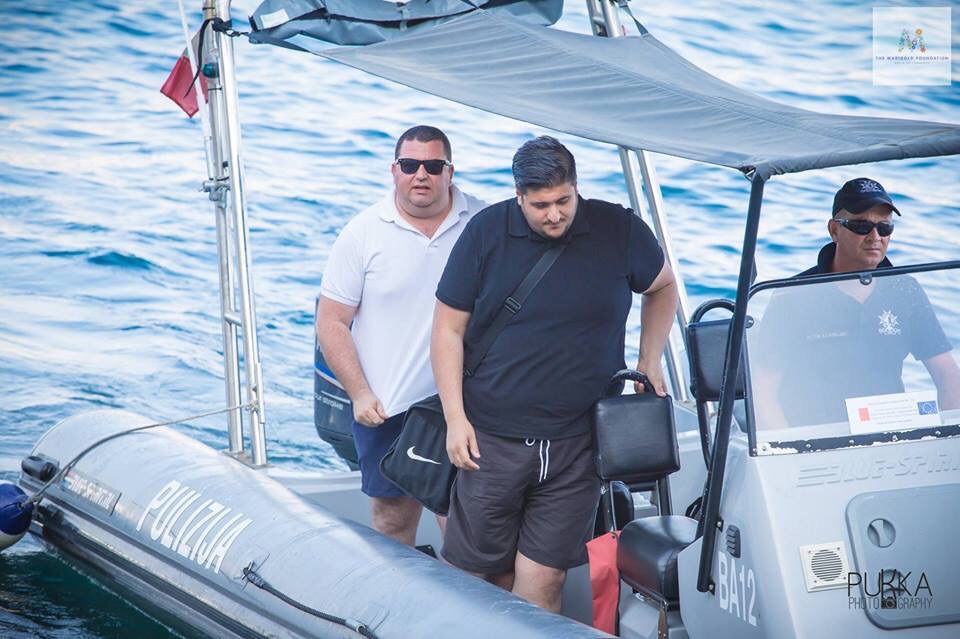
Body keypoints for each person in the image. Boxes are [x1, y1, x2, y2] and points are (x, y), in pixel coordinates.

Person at [431, 136, 678, 611]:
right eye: (540, 204)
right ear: (519, 196)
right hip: (491, 439)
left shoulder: (618, 228)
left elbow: (662, 286)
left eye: (564, 200)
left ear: (576, 186)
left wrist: (650, 359)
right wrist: (455, 418)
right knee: (481, 575)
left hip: (577, 444)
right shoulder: (486, 232)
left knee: (545, 580)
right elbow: (446, 329)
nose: (554, 214)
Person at [316, 125, 487, 545]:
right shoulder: (363, 232)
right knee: (392, 523)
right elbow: (331, 321)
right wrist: (358, 393)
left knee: (465, 530)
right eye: (410, 165)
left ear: (451, 171)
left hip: (466, 406)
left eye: (433, 165)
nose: (421, 175)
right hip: (388, 409)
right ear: (394, 170)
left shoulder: (485, 221)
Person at [751, 177, 960, 428]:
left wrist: (945, 441)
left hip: (893, 436)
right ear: (834, 230)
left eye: (885, 227)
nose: (875, 236)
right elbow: (762, 392)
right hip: (814, 440)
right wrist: (786, 455)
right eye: (861, 226)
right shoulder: (792, 296)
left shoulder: (906, 290)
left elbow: (948, 375)